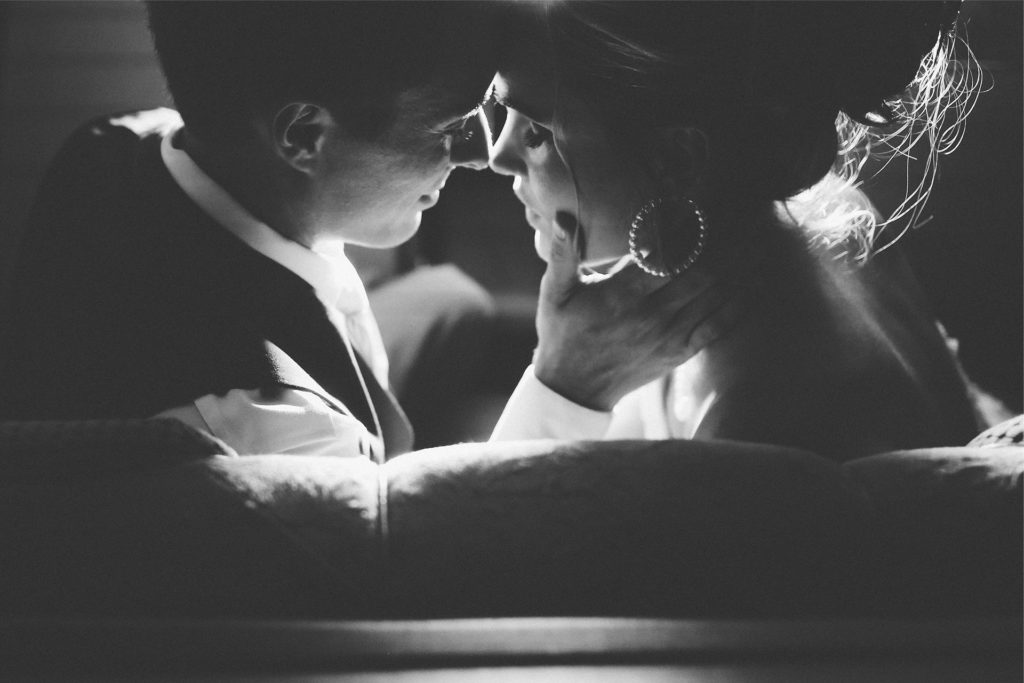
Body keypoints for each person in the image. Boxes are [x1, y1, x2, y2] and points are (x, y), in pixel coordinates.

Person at [0, 1, 737, 460]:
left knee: (454, 300)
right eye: (449, 126)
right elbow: (428, 587)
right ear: (304, 136)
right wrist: (566, 388)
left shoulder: (117, 139)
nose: (480, 157)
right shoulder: (278, 430)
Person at [488, 1, 982, 460]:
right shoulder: (828, 214)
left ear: (677, 157)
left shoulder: (755, 430)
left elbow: (499, 527)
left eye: (537, 133)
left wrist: (563, 388)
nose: (497, 156)